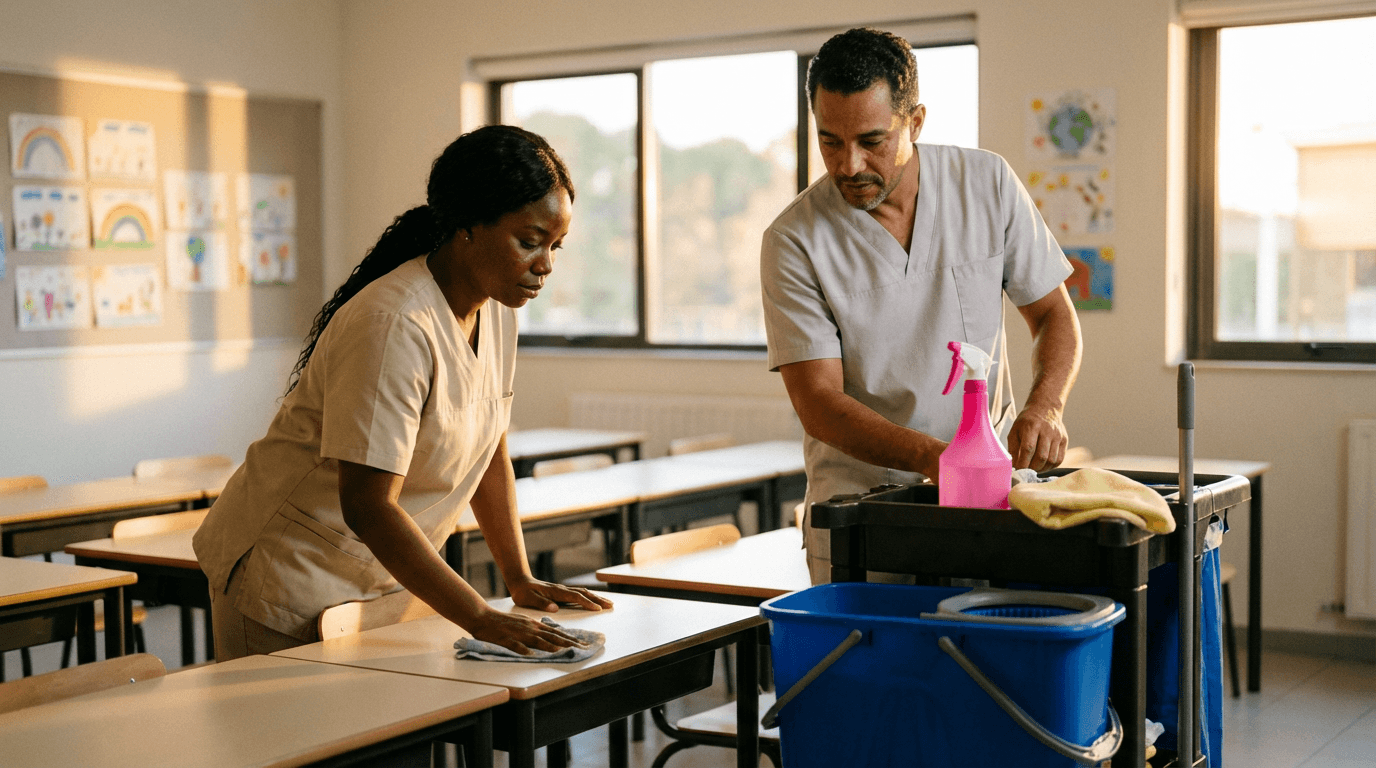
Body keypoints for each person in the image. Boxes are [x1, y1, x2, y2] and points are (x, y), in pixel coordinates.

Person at [195, 125, 613, 661]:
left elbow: (489, 453)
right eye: (529, 242)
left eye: (555, 246)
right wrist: (479, 615)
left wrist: (519, 577)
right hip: (285, 576)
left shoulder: (497, 312)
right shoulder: (394, 323)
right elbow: (368, 505)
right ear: (467, 226)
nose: (545, 265)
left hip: (380, 577)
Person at [759, 28, 1083, 585]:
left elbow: (1053, 314)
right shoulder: (793, 240)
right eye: (830, 141)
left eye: (872, 140)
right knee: (878, 642)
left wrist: (1046, 406)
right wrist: (938, 459)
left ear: (915, 122)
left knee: (989, 635)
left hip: (987, 503)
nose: (849, 164)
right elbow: (819, 402)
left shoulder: (986, 184)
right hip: (864, 513)